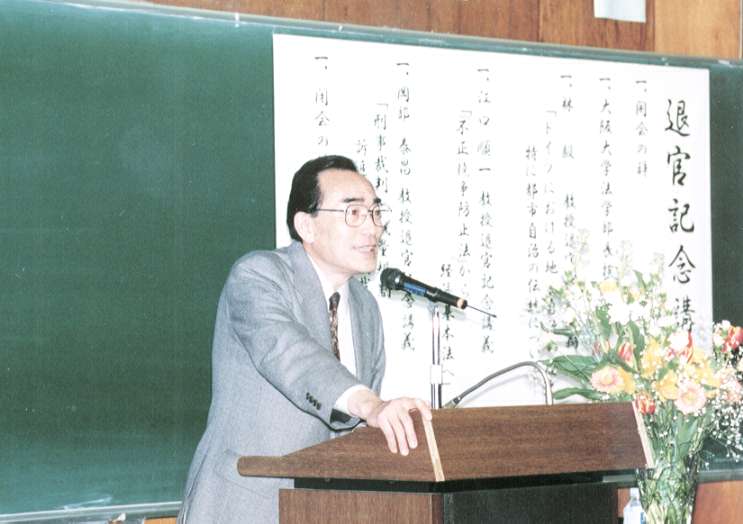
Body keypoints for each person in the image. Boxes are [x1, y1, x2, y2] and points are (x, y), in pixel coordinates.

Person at [178, 155, 431, 523]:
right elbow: (290, 355)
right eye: (354, 213)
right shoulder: (258, 276)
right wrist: (371, 405)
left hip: (323, 511)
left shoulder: (365, 308)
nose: (372, 228)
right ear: (306, 226)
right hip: (245, 507)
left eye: (375, 212)